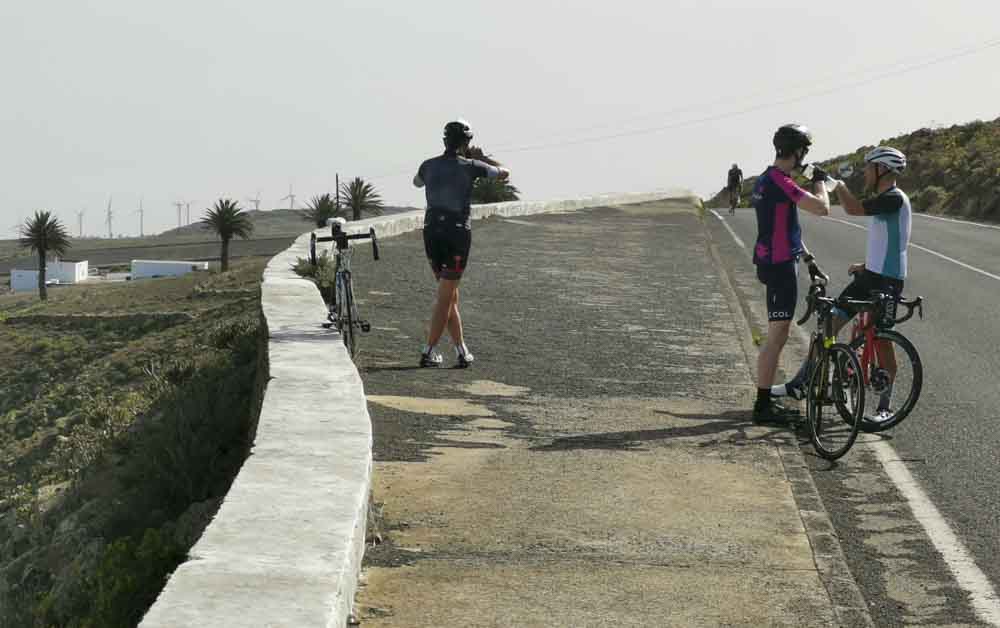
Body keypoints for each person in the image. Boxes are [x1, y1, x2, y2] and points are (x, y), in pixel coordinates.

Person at [772, 147, 911, 417]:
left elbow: (853, 208)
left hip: (889, 281)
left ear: (882, 169)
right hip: (871, 276)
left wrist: (840, 185)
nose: (865, 172)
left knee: (881, 340)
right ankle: (801, 384)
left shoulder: (894, 198)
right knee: (828, 324)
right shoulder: (884, 198)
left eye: (869, 167)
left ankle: (885, 406)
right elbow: (888, 241)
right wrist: (867, 264)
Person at [413, 119, 510, 368]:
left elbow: (417, 182)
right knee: (446, 295)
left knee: (450, 294)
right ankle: (428, 350)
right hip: (457, 233)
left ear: (445, 141)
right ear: (466, 142)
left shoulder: (428, 165)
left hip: (431, 231)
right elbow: (504, 173)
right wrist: (482, 158)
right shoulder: (471, 166)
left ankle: (461, 350)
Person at [751, 124, 831, 424]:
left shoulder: (765, 179)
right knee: (777, 336)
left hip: (776, 260)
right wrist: (820, 182)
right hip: (780, 265)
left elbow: (783, 225)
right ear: (797, 151)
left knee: (778, 335)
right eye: (804, 152)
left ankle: (764, 399)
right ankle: (762, 404)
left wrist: (808, 258)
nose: (804, 157)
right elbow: (822, 208)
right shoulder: (780, 180)